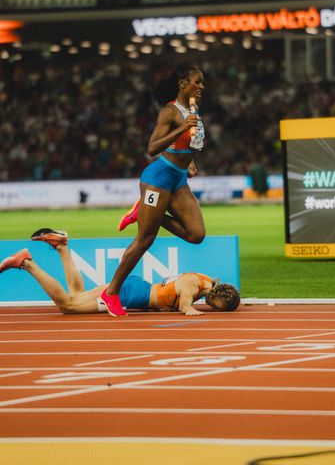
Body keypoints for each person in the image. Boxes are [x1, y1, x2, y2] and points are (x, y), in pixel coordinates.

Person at [102, 64, 207, 317]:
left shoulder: (193, 108)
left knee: (196, 234)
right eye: (197, 82)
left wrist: (190, 161)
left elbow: (188, 144)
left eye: (202, 82)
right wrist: (181, 128)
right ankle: (111, 292)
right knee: (145, 240)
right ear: (183, 83)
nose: (202, 86)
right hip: (158, 179)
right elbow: (152, 147)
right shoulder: (170, 111)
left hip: (178, 180)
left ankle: (146, 211)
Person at [0, 229, 240, 315]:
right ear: (220, 297)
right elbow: (185, 306)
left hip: (135, 289)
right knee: (67, 306)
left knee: (76, 293)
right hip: (130, 293)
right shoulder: (194, 284)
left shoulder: (205, 282)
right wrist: (192, 311)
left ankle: (62, 246)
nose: (213, 308)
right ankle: (26, 263)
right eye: (217, 307)